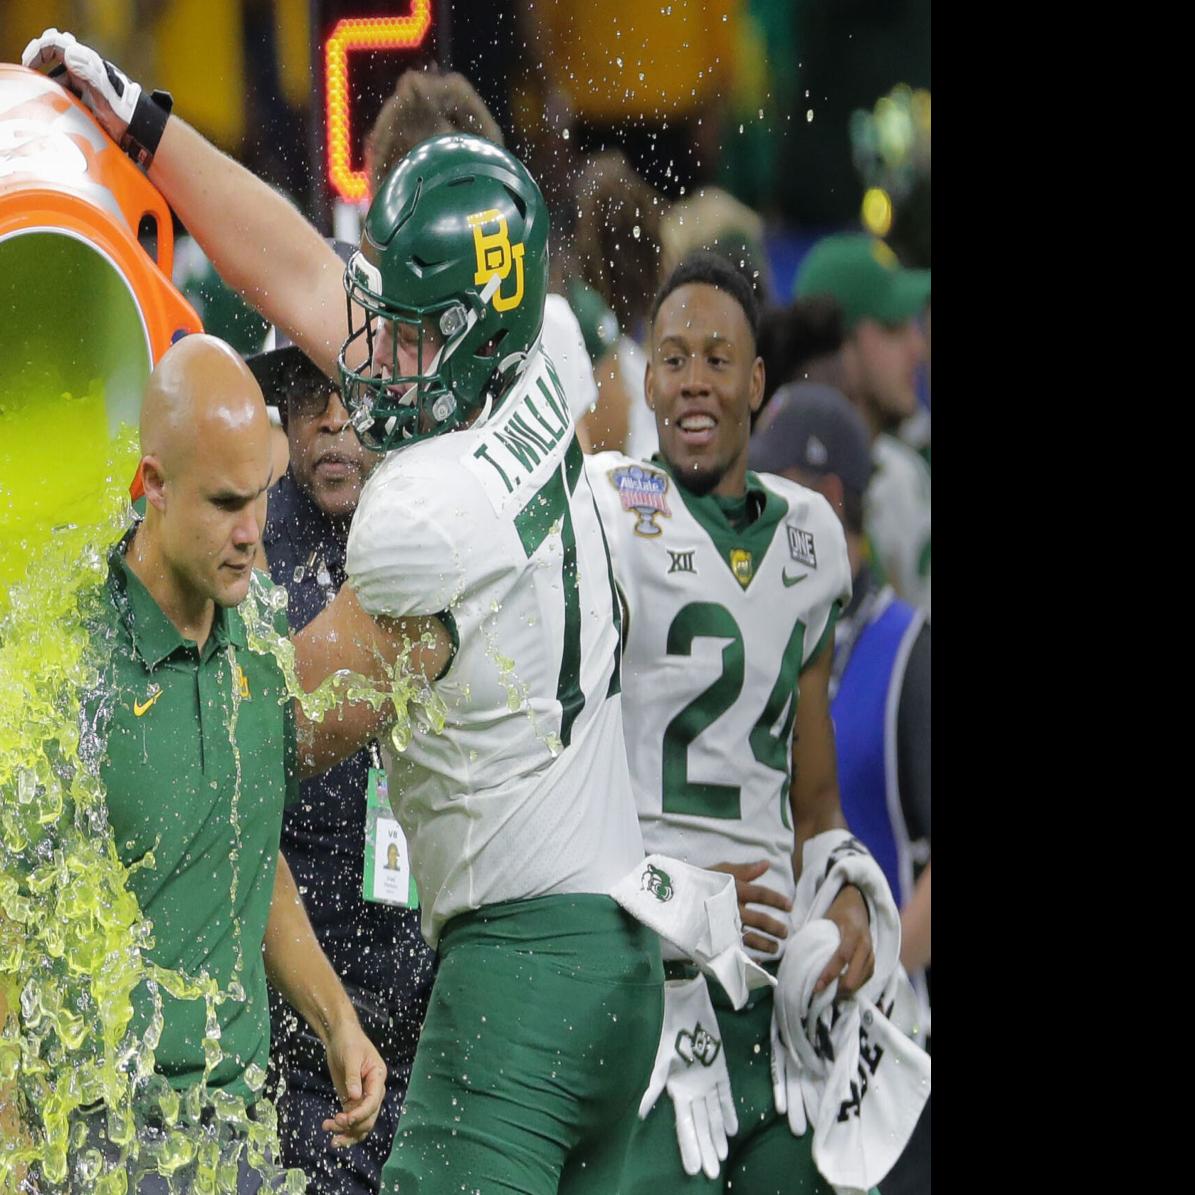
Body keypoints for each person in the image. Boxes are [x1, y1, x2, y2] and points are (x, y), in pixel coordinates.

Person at [21, 31, 666, 1194]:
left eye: (409, 327)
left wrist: (122, 633)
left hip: (518, 968)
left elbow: (265, 733)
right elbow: (313, 281)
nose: (377, 349)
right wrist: (146, 126)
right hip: (609, 947)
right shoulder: (542, 356)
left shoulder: (426, 513)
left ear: (461, 329)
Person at [586, 251, 896, 1193]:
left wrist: (843, 893)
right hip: (642, 973)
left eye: (717, 359)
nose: (693, 381)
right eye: (673, 357)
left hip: (770, 987)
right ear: (647, 377)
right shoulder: (604, 511)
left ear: (756, 382)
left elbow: (817, 802)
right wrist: (669, 893)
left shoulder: (808, 541)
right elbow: (560, 779)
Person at [79, 334, 386, 1188]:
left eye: (258, 495)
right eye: (223, 503)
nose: (252, 535)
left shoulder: (256, 637)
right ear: (153, 487)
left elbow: (247, 850)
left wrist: (335, 1022)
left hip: (237, 1136)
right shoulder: (72, 666)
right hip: (96, 1141)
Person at [247, 285, 437, 1195]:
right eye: (303, 392)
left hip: (430, 1030)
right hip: (292, 1049)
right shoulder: (238, 557)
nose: (329, 420)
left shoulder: (443, 539)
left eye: (350, 391)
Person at [748, 382, 931, 1195]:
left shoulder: (910, 649)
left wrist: (870, 975)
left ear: (822, 498)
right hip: (786, 1046)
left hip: (893, 1051)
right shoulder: (763, 636)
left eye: (767, 493)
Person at [792, 233, 932, 612]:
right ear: (840, 348)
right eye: (892, 328)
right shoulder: (783, 482)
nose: (917, 349)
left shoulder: (906, 476)